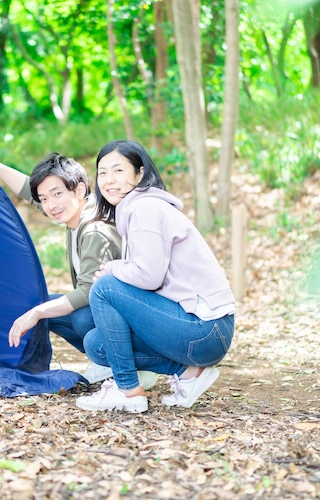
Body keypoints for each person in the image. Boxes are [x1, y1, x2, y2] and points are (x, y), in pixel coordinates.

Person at [0, 145, 156, 389]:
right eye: (44, 199)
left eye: (56, 194)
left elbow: (89, 290)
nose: (50, 204)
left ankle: (133, 367)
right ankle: (108, 361)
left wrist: (37, 313)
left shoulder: (95, 228)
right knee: (46, 305)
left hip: (135, 319)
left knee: (81, 317)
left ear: (79, 189)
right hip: (120, 313)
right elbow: (31, 192)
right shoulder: (79, 210)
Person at [75, 140, 236, 413]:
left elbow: (149, 277)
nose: (109, 180)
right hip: (201, 331)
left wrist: (113, 268)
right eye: (102, 172)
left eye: (118, 171)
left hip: (206, 329)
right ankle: (189, 373)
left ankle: (128, 391)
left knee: (104, 288)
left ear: (140, 174)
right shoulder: (135, 210)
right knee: (97, 344)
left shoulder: (144, 208)